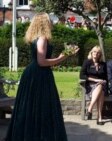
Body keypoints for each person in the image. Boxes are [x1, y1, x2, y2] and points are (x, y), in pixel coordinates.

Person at [5, 12, 79, 141]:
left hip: (34, 73)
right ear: (45, 23)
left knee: (31, 106)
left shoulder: (35, 38)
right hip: (39, 74)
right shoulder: (43, 38)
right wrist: (62, 57)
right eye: (49, 20)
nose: (51, 23)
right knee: (42, 106)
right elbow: (42, 61)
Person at [79, 46, 107, 125]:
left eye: (98, 52)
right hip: (90, 86)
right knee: (101, 90)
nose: (96, 53)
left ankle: (90, 108)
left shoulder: (103, 64)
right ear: (91, 53)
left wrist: (102, 81)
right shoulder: (87, 62)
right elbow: (82, 76)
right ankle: (99, 117)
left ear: (100, 55)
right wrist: (95, 80)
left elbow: (106, 77)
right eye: (94, 51)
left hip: (101, 85)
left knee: (101, 87)